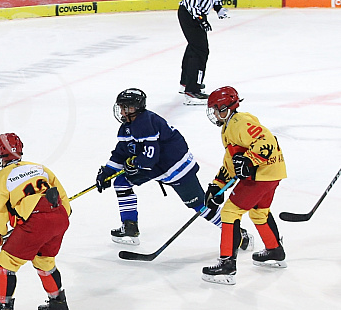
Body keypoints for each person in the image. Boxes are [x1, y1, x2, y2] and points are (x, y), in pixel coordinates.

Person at [96, 88, 246, 246]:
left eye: (125, 107)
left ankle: (238, 234)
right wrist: (107, 172)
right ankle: (130, 227)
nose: (122, 111)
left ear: (135, 108)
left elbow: (149, 157)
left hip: (177, 168)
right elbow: (122, 152)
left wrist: (135, 163)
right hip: (157, 169)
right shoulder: (128, 127)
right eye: (120, 107)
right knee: (121, 182)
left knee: (200, 206)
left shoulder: (146, 122)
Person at [0, 133, 72, 310]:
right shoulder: (40, 168)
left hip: (37, 221)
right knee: (44, 259)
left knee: (6, 261)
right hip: (60, 217)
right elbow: (64, 199)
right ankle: (58, 303)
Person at [202, 86, 287, 285]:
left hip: (261, 175)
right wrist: (217, 185)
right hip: (272, 174)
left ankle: (227, 265)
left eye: (216, 108)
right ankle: (274, 250)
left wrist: (248, 161)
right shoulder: (228, 127)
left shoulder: (240, 122)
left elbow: (266, 140)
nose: (214, 113)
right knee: (259, 213)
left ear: (226, 107)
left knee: (229, 213)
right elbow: (231, 161)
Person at [178, 0, 229, 105]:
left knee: (194, 47)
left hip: (198, 15)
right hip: (190, 15)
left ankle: (187, 83)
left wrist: (218, 7)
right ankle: (192, 91)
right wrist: (200, 19)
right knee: (201, 50)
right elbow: (190, 2)